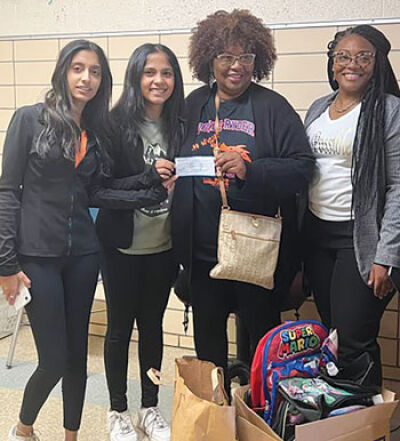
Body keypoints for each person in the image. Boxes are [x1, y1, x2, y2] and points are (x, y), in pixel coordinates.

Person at [0, 40, 170, 441]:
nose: (86, 78)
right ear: (63, 71)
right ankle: (23, 428)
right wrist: (6, 264)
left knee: (78, 357)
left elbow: (99, 190)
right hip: (37, 255)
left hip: (83, 254)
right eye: (78, 68)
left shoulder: (94, 133)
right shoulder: (29, 120)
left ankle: (71, 435)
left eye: (95, 71)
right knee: (54, 360)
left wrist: (150, 181)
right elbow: (7, 192)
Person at [172, 10, 315, 395]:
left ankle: (258, 416)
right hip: (202, 255)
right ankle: (216, 418)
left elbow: (302, 168)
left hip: (255, 254)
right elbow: (177, 158)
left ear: (259, 60)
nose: (236, 67)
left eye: (246, 57)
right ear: (209, 61)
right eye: (225, 57)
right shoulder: (193, 105)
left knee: (261, 350)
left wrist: (252, 170)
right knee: (209, 351)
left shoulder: (273, 107)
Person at [95, 43, 184, 441]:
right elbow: (99, 190)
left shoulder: (182, 124)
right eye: (150, 72)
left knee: (152, 327)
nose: (158, 81)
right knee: (118, 330)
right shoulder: (113, 125)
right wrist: (149, 181)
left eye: (166, 73)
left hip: (164, 247)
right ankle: (117, 411)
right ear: (135, 77)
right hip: (120, 248)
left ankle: (150, 408)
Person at [303, 25, 400, 387]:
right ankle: (342, 417)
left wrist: (385, 255)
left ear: (377, 63)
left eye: (363, 56)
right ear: (331, 64)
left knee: (354, 342)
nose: (352, 64)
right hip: (316, 233)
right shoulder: (318, 108)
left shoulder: (389, 111)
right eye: (343, 56)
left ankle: (362, 423)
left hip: (358, 239)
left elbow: (398, 187)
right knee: (334, 336)